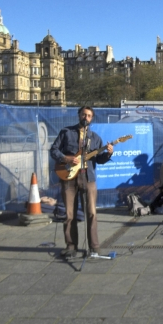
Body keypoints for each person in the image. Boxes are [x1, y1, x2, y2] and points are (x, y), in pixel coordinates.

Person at [50, 106, 114, 258]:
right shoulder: (66, 132)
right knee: (69, 214)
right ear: (79, 115)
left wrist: (108, 154)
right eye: (84, 114)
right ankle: (71, 246)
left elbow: (99, 159)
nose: (86, 117)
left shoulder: (96, 138)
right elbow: (54, 150)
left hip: (88, 178)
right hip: (69, 178)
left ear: (92, 119)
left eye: (89, 115)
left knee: (91, 213)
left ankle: (94, 247)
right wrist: (66, 158)